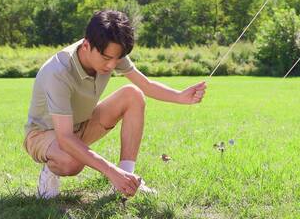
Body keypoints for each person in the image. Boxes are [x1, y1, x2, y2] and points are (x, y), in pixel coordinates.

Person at [24, 10, 207, 199]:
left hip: (80, 125)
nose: (112, 66)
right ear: (86, 45)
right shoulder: (59, 71)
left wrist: (180, 96)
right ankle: (50, 171)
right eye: (106, 58)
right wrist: (111, 172)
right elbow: (64, 137)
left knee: (133, 95)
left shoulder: (112, 51)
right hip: (45, 134)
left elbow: (146, 85)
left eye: (116, 59)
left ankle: (128, 177)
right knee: (71, 161)